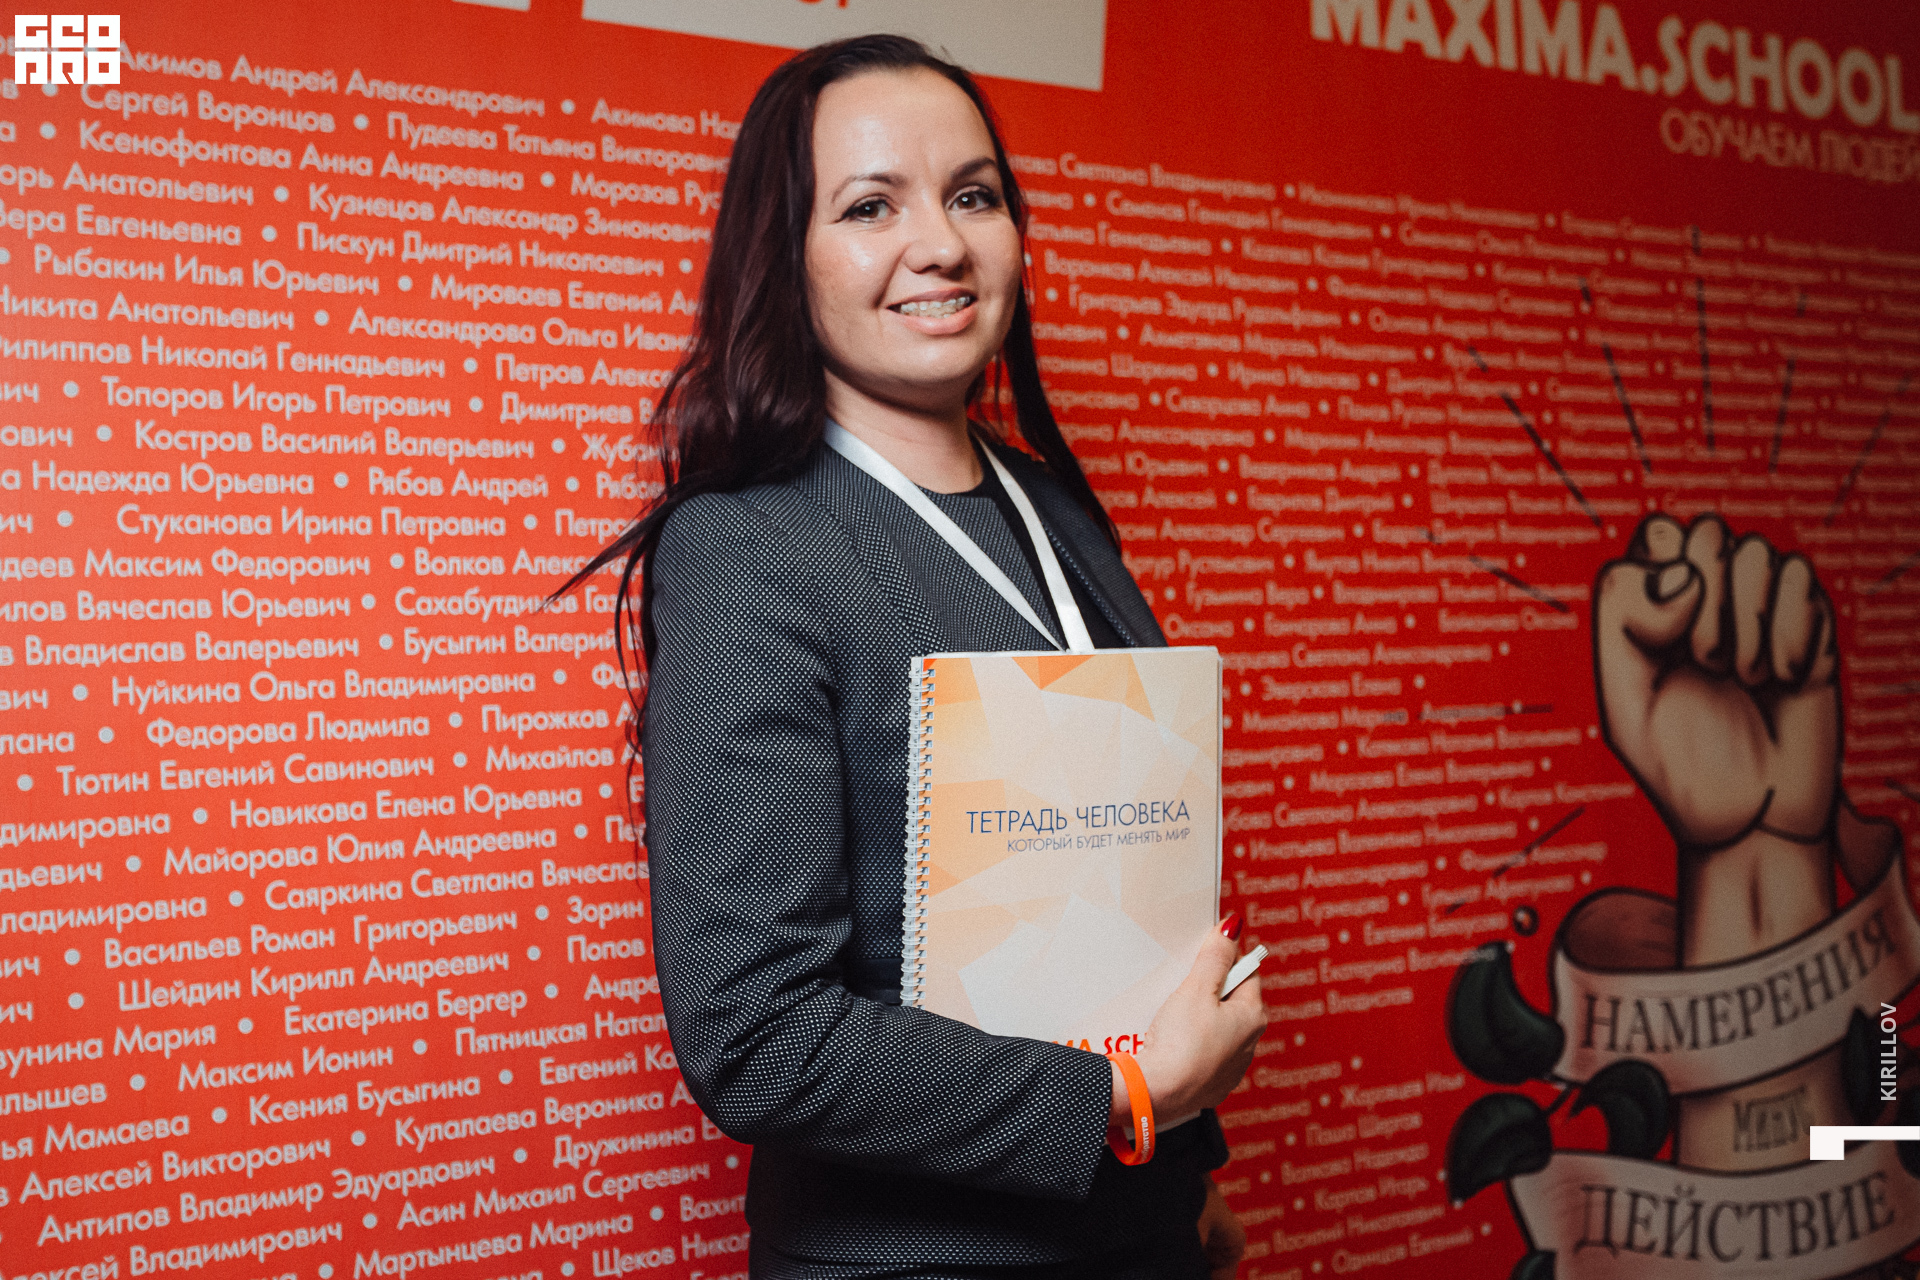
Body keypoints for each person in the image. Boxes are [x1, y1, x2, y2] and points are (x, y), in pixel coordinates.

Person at [575, 34, 1268, 1279]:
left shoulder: (1058, 509)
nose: (941, 243)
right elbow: (758, 1036)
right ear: (784, 256)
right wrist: (1121, 1099)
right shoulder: (749, 547)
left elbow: (1114, 896)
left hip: (1141, 1228)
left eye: (973, 194)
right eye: (870, 206)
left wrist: (1178, 1172)